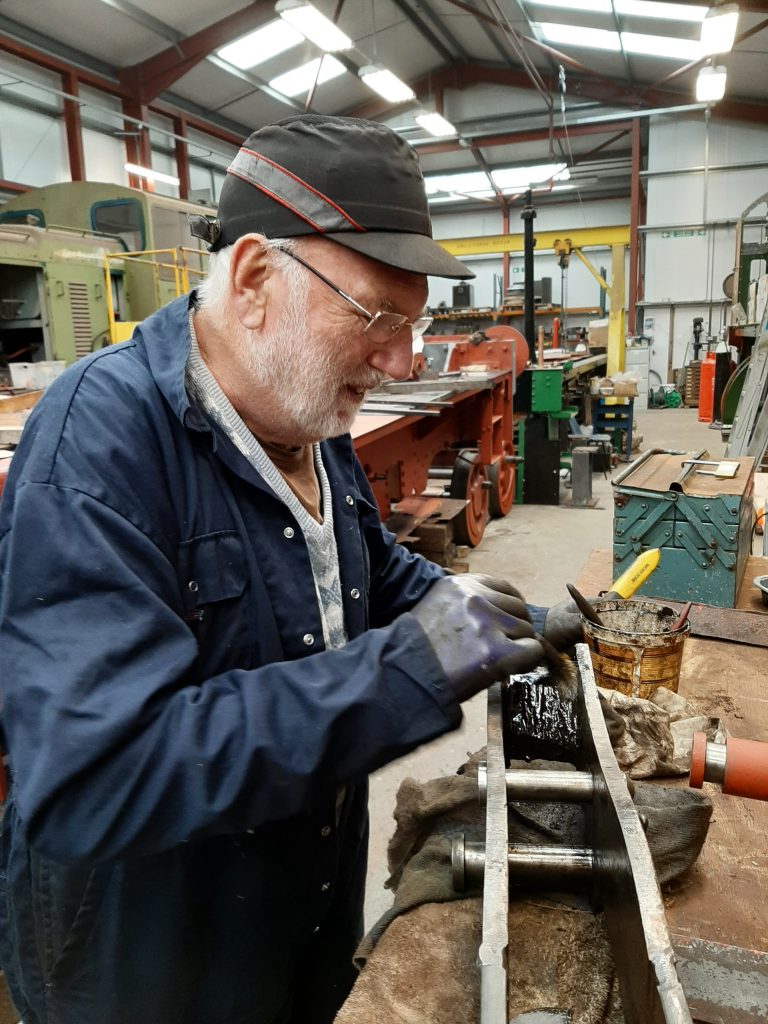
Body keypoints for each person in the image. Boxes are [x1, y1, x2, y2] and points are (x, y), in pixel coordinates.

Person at [0, 115, 581, 1024]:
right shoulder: (98, 450)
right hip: (151, 969)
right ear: (257, 278)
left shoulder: (310, 414)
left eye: (414, 324)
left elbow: (363, 573)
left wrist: (469, 607)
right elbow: (94, 780)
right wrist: (407, 670)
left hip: (301, 917)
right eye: (379, 318)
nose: (399, 359)